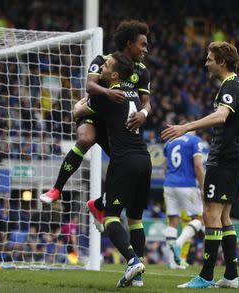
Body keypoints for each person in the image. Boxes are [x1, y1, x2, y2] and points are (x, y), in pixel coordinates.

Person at [161, 41, 239, 289]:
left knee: (210, 213)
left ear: (222, 61)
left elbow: (221, 116)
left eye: (210, 58)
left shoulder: (230, 85)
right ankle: (231, 276)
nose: (206, 62)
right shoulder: (238, 85)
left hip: (222, 159)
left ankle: (207, 276)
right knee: (223, 216)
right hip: (232, 156)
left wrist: (185, 127)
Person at [40, 20, 151, 212]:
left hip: (115, 122)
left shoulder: (141, 71)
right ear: (129, 43)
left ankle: (99, 205)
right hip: (93, 112)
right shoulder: (102, 60)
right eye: (143, 44)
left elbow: (146, 101)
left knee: (124, 163)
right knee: (86, 139)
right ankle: (57, 189)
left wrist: (143, 113)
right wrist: (107, 93)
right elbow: (90, 86)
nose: (146, 50)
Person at [86, 52, 152, 287]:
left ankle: (133, 260)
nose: (101, 67)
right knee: (135, 219)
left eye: (106, 66)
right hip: (145, 159)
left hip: (123, 160)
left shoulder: (108, 96)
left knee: (112, 217)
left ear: (114, 75)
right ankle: (138, 278)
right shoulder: (134, 93)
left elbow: (81, 110)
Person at [163, 130, 204, 269]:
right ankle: (178, 244)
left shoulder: (169, 142)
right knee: (199, 218)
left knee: (173, 220)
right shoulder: (194, 140)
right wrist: (203, 187)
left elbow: (165, 166)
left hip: (169, 184)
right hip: (187, 184)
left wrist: (169, 181)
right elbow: (198, 165)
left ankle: (173, 262)